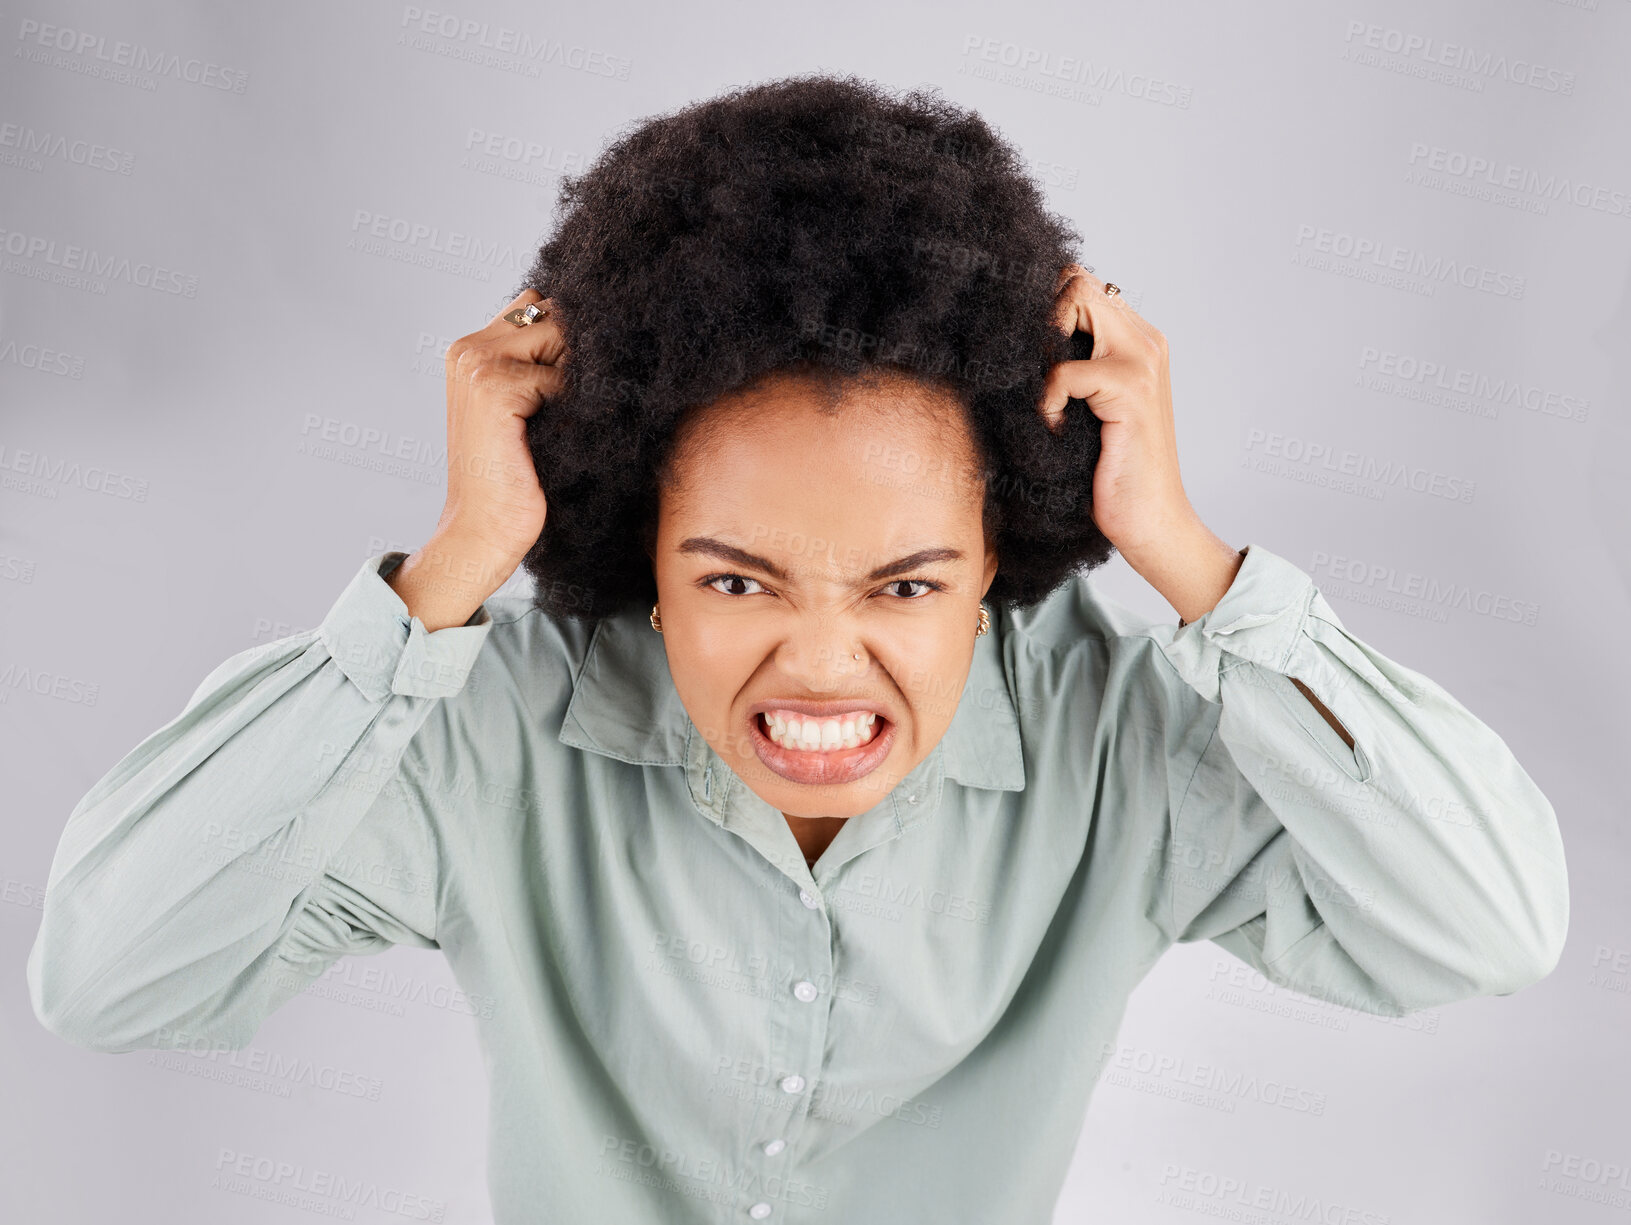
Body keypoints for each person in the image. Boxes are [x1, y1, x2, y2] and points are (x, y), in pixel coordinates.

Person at [26, 73, 1568, 1224]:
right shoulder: (499, 730)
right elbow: (105, 969)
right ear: (642, 561)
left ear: (995, 567)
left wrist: (1190, 560)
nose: (824, 666)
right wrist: (442, 579)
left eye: (904, 586)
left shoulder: (1118, 741)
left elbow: (1488, 923)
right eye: (741, 582)